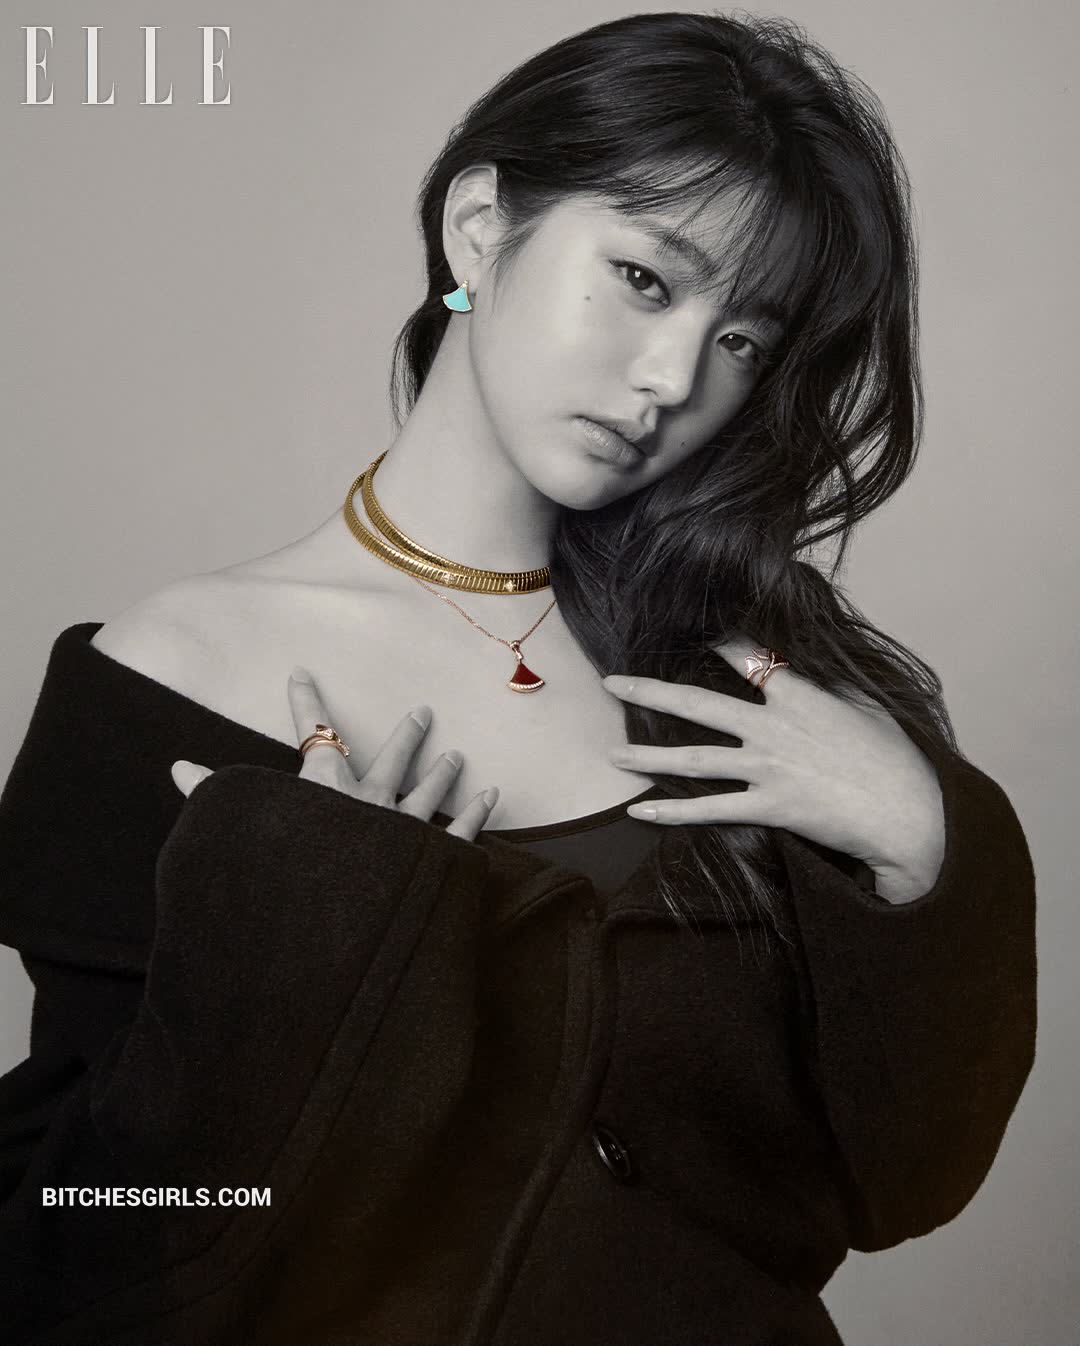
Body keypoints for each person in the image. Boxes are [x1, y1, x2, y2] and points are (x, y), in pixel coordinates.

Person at [0, 11, 1036, 1345]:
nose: (672, 378)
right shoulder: (166, 674)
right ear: (480, 228)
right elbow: (85, 1256)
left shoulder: (750, 676)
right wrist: (307, 915)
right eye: (646, 279)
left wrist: (929, 852)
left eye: (743, 340)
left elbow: (906, 1181)